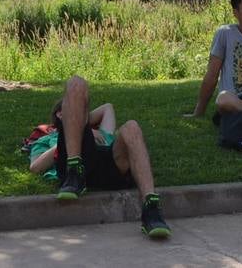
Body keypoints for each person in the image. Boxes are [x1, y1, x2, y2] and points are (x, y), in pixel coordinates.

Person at [52, 75, 171, 240]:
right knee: (75, 83)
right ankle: (74, 172)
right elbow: (36, 166)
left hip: (108, 162)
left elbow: (107, 108)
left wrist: (92, 129)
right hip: (77, 158)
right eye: (65, 108)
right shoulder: (54, 135)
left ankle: (151, 208)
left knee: (132, 127)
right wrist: (60, 145)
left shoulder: (96, 128)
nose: (69, 109)